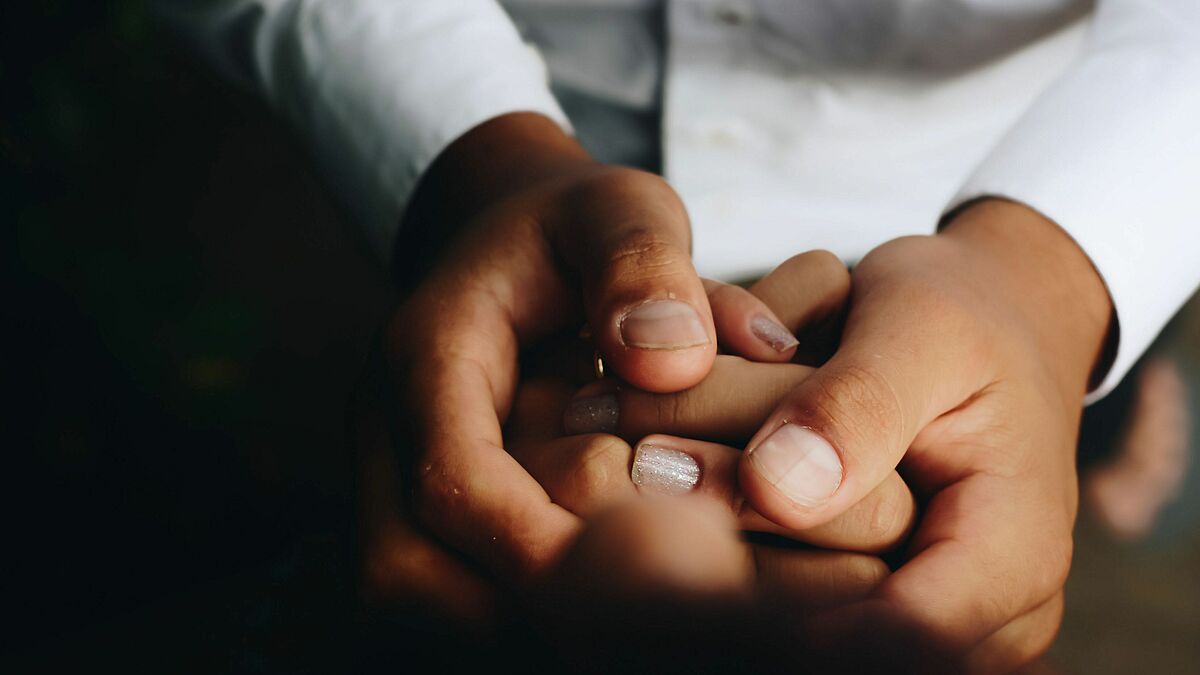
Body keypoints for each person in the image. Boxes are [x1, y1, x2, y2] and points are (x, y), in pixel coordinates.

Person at [161, 0, 1200, 669]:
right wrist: (477, 165)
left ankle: (1108, 415)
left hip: (1002, 165)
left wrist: (1060, 272)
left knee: (1043, 416)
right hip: (516, 124)